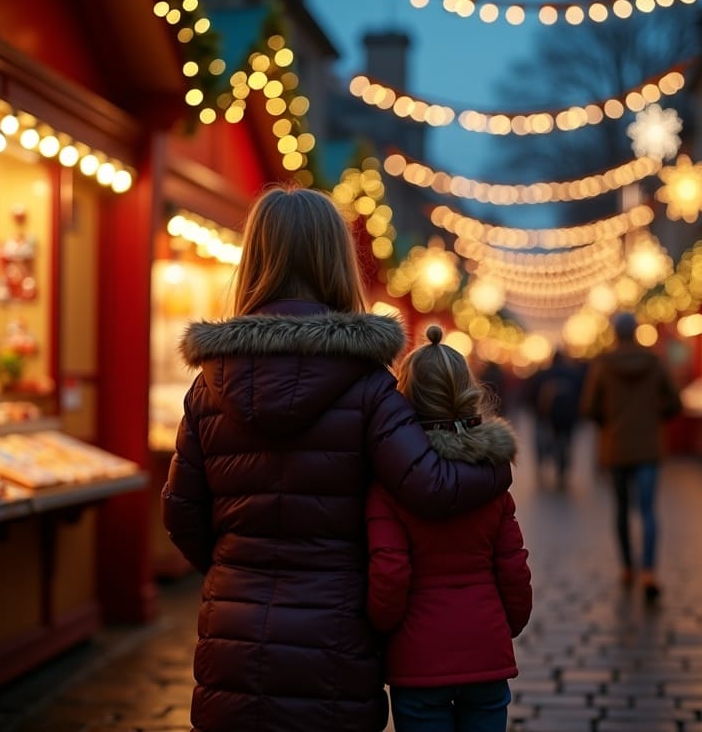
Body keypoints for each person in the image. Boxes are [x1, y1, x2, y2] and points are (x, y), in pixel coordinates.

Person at [161, 186, 513, 732]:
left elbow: (182, 514)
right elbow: (434, 489)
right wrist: (493, 454)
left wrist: (240, 568)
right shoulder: (369, 387)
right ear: (336, 261)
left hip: (234, 637)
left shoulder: (209, 387)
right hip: (335, 642)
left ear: (254, 260)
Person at [366, 324, 533, 732]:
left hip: (417, 659)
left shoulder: (389, 483)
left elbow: (389, 573)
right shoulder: (493, 480)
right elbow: (513, 569)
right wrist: (499, 626)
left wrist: (381, 631)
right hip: (485, 653)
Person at [580, 311, 681, 601]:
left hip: (617, 447)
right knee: (648, 510)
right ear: (636, 332)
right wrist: (653, 418)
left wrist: (609, 423)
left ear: (615, 333)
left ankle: (627, 567)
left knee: (622, 509)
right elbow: (674, 402)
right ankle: (649, 569)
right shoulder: (655, 362)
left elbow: (589, 408)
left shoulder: (603, 365)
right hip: (649, 446)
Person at [527, 349, 584, 488]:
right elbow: (582, 395)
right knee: (565, 441)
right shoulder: (573, 374)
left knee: (545, 441)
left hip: (547, 416)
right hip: (568, 417)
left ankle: (543, 465)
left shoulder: (543, 374)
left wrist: (536, 411)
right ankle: (562, 471)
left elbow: (532, 394)